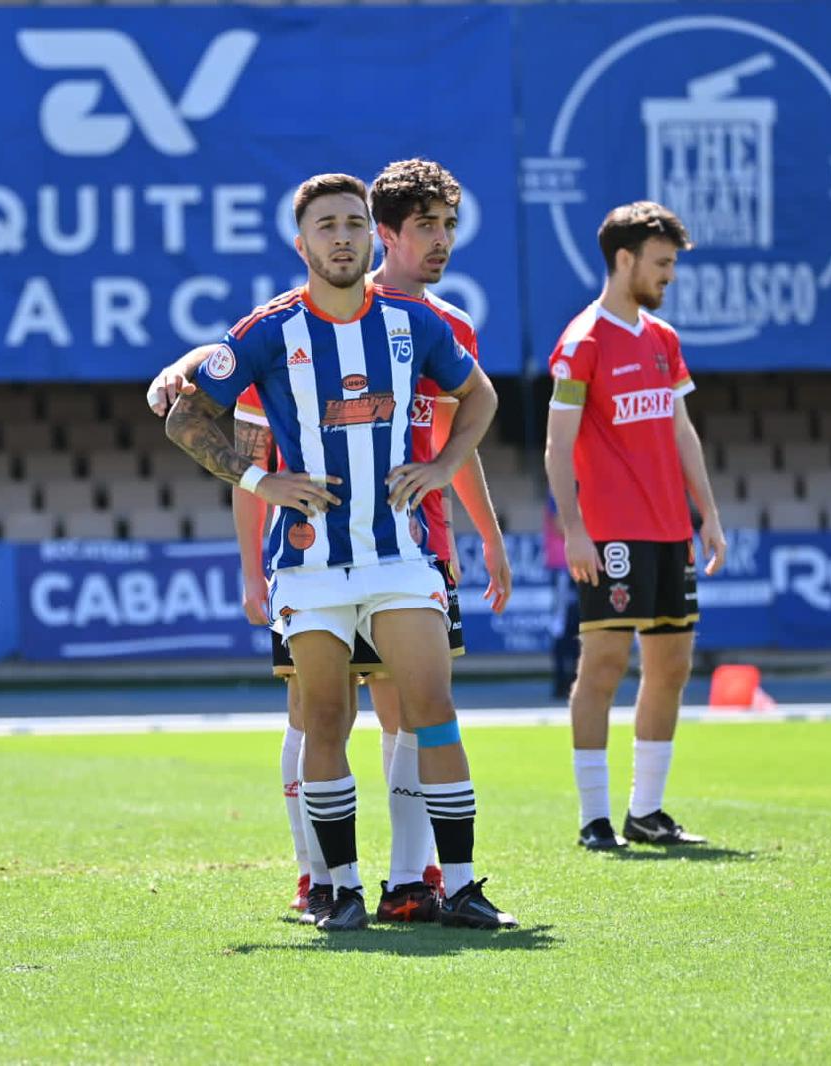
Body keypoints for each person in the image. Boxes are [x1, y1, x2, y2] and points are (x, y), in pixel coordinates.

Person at [150, 159, 514, 925]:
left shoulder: (415, 324)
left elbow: (479, 394)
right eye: (327, 226)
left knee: (432, 708)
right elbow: (186, 417)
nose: (341, 238)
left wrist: (444, 466)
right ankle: (337, 888)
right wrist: (259, 485)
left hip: (400, 558)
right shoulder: (267, 330)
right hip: (310, 567)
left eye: (353, 223)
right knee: (323, 719)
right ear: (301, 242)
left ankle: (460, 883)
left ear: (367, 235)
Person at [543, 201, 726, 852]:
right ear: (625, 260)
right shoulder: (583, 341)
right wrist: (575, 529)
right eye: (662, 263)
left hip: (670, 530)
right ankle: (595, 818)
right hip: (612, 533)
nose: (669, 275)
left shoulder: (662, 340)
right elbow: (557, 447)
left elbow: (680, 430)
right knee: (604, 666)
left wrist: (707, 515)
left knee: (672, 665)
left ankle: (646, 813)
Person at [543, 493, 581, 701]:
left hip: (577, 565)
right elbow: (560, 525)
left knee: (579, 625)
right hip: (563, 567)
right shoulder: (559, 490)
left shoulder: (579, 490)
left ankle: (574, 679)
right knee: (560, 624)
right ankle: (560, 680)